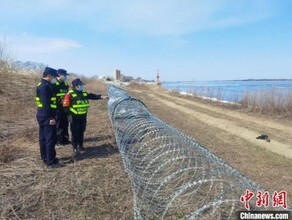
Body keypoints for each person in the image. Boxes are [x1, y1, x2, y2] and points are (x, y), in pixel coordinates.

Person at [63, 78, 108, 157]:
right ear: (75, 86)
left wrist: (101, 97)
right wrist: (69, 115)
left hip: (83, 117)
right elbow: (65, 106)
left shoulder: (83, 93)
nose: (81, 87)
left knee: (81, 132)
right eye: (80, 85)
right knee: (75, 133)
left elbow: (91, 96)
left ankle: (80, 145)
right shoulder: (69, 94)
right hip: (74, 118)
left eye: (81, 85)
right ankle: (75, 148)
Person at [35, 67, 60, 168]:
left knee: (43, 138)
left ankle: (46, 157)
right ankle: (51, 162)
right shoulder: (45, 87)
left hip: (42, 115)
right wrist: (50, 118)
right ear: (49, 75)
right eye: (54, 77)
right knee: (50, 138)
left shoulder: (44, 85)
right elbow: (46, 104)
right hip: (46, 116)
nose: (55, 79)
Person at [53, 69, 70, 146]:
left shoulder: (65, 84)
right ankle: (58, 141)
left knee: (65, 123)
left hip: (65, 106)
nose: (66, 77)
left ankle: (65, 139)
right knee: (59, 124)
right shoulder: (53, 83)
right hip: (57, 107)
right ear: (59, 74)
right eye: (64, 75)